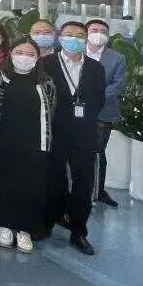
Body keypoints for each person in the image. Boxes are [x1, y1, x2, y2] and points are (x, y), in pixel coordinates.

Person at [0, 38, 57, 254]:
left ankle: (25, 230)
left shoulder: (46, 82)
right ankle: (5, 226)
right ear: (10, 54)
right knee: (3, 183)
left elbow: (51, 111)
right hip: (3, 141)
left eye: (30, 54)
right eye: (19, 52)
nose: (24, 57)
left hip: (34, 142)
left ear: (37, 58)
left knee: (31, 185)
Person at [43, 21, 106, 256]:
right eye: (69, 34)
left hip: (84, 133)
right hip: (55, 131)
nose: (74, 39)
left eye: (80, 35)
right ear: (60, 37)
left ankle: (79, 230)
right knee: (53, 177)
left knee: (84, 181)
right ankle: (50, 219)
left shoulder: (95, 68)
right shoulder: (46, 64)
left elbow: (98, 99)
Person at [85, 19, 127, 207]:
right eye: (94, 30)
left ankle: (98, 191)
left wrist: (93, 99)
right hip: (73, 111)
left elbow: (118, 85)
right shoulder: (75, 53)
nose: (98, 34)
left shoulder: (117, 58)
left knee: (98, 151)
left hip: (103, 112)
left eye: (103, 31)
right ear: (86, 32)